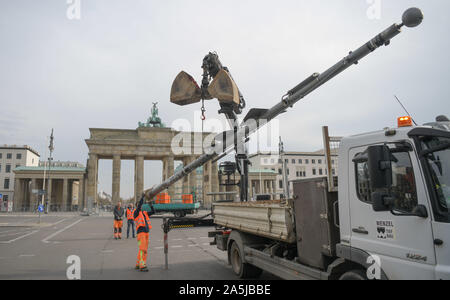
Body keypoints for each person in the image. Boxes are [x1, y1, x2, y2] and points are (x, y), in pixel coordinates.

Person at [134, 195, 155, 272]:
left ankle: (138, 264)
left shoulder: (144, 213)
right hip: (141, 233)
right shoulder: (136, 213)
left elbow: (153, 212)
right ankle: (142, 265)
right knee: (143, 249)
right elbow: (139, 206)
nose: (141, 206)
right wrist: (142, 198)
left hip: (146, 232)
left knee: (143, 249)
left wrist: (151, 205)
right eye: (140, 205)